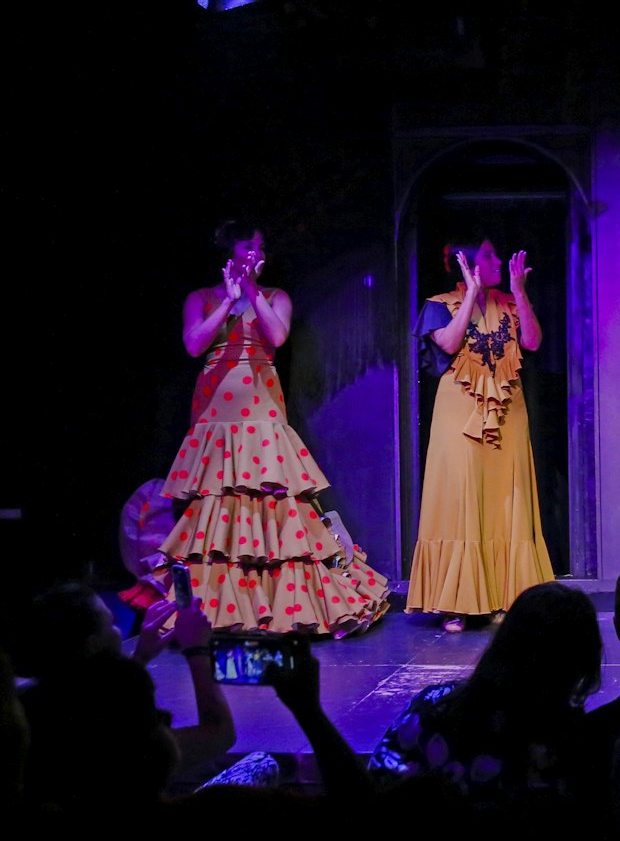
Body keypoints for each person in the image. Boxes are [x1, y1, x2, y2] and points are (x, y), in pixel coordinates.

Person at [156, 220, 390, 636]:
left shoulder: (275, 296)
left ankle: (280, 604)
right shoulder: (202, 298)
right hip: (216, 413)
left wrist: (249, 294)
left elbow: (278, 336)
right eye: (248, 246)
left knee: (272, 500)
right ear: (230, 252)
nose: (255, 254)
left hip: (262, 407)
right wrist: (228, 302)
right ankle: (221, 609)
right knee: (219, 506)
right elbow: (194, 345)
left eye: (260, 248)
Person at [408, 236, 555, 632]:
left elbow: (533, 341)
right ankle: (456, 600)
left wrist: (520, 292)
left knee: (505, 499)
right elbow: (450, 343)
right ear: (468, 263)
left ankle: (505, 595)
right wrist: (471, 294)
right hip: (460, 410)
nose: (498, 260)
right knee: (462, 499)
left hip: (508, 409)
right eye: (489, 255)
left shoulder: (508, 301)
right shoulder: (440, 304)